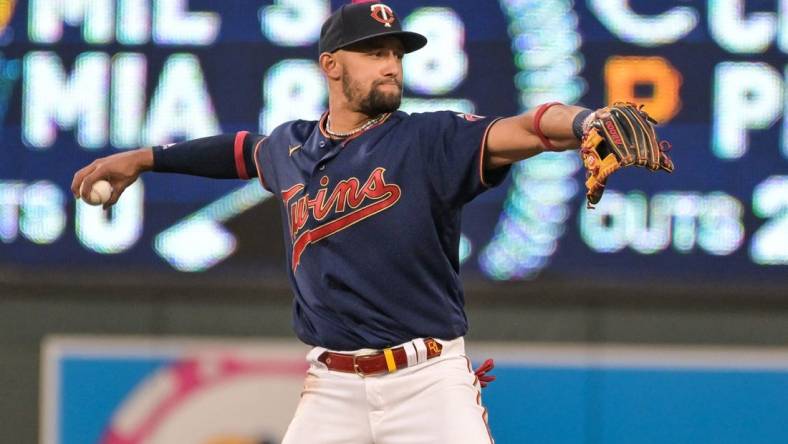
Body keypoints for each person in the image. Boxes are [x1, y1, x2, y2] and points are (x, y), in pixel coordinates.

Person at [72, 2, 596, 443]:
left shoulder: (430, 139)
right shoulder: (290, 147)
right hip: (332, 388)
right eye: (373, 52)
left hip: (428, 382)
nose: (391, 65)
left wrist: (583, 122)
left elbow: (524, 129)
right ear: (331, 65)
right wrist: (142, 158)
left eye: (395, 53)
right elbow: (236, 152)